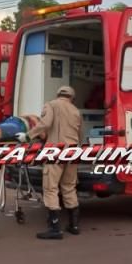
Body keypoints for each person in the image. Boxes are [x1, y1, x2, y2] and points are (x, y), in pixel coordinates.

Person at [17, 86, 83, 240]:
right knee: (69, 187)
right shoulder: (76, 110)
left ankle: (55, 229)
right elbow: (80, 134)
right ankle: (74, 225)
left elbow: (44, 124)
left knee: (51, 188)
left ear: (58, 94)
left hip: (56, 151)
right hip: (72, 153)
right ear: (71, 97)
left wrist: (27, 136)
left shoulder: (51, 105)